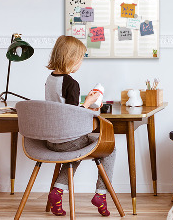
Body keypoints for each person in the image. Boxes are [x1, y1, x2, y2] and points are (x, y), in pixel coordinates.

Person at [45, 35, 115, 217]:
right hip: (68, 140)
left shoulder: (50, 79)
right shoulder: (71, 83)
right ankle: (101, 194)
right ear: (71, 59)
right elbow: (72, 115)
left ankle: (57, 192)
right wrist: (89, 103)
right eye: (81, 58)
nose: (81, 63)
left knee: (76, 152)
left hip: (51, 140)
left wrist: (84, 103)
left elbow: (62, 108)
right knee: (110, 148)